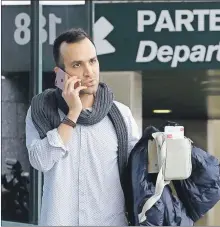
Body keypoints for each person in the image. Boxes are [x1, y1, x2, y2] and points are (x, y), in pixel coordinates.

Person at [25, 28, 140, 226]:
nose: (89, 72)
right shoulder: (41, 111)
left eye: (92, 61)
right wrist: (72, 114)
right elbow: (40, 161)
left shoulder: (121, 115)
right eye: (77, 64)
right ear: (60, 74)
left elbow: (138, 174)